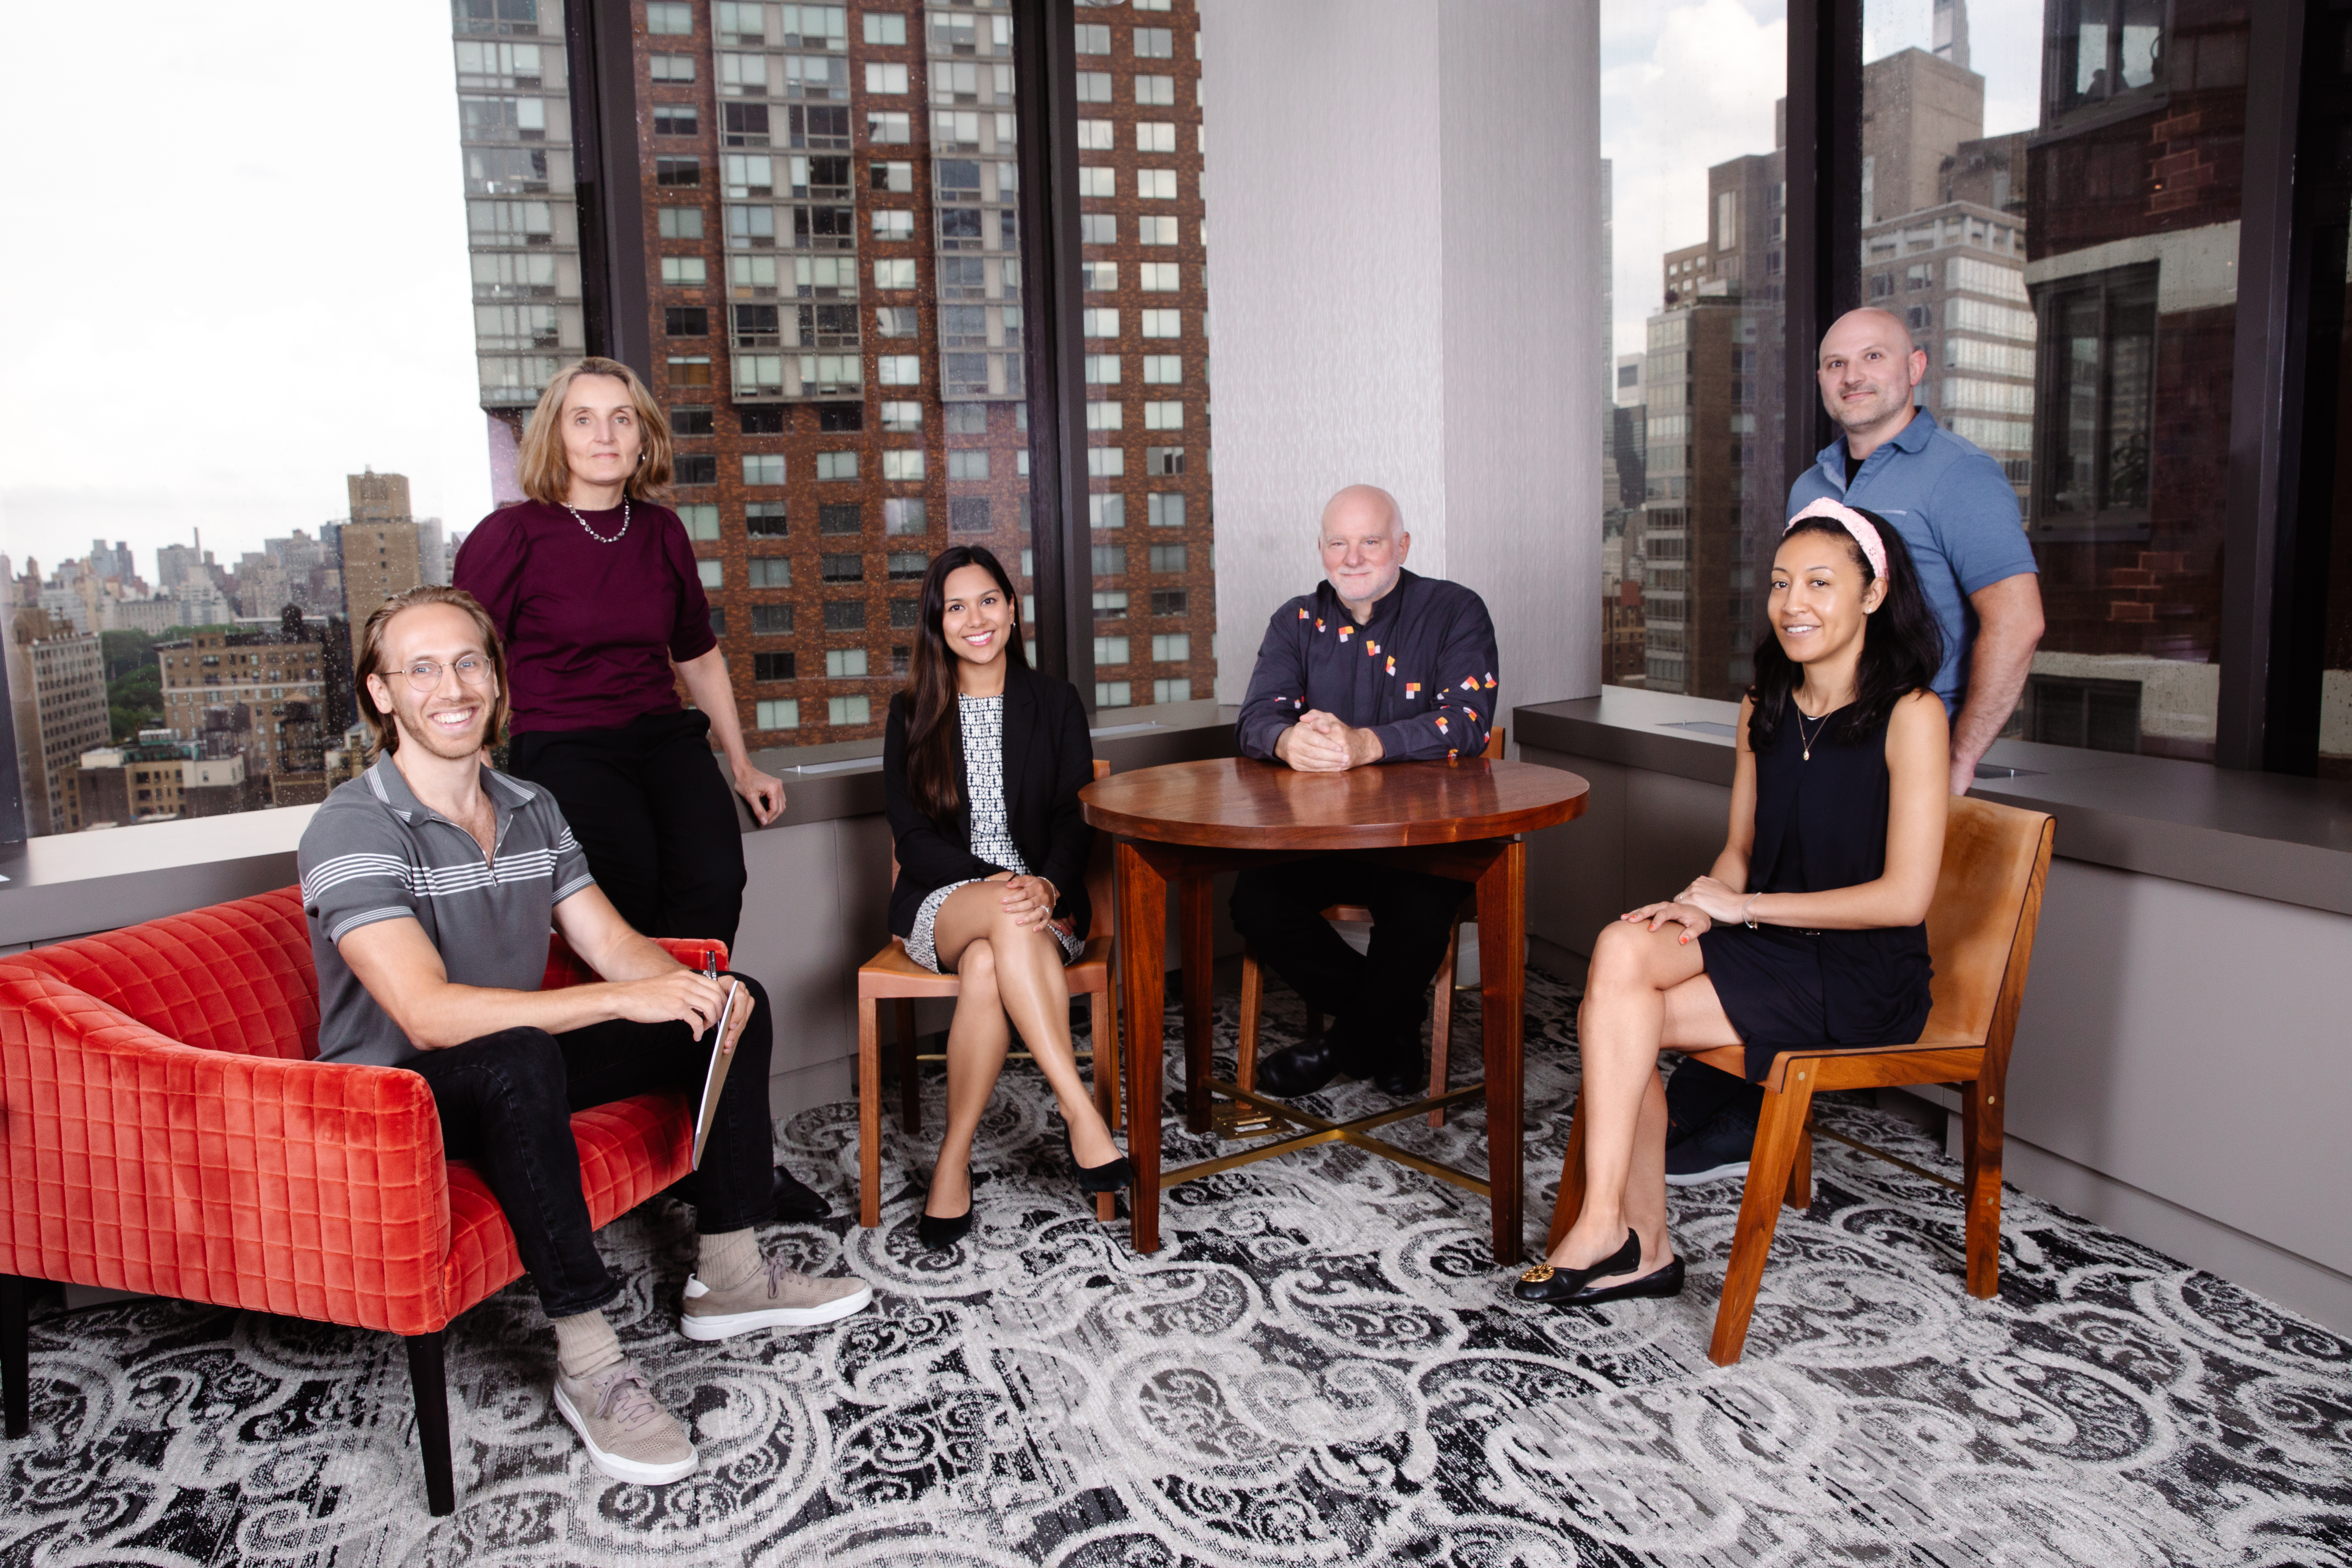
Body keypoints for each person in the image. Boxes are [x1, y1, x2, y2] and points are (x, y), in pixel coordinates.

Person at [298, 586, 873, 1486]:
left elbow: (609, 942)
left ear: (494, 676)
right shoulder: (353, 825)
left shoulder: (529, 804)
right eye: (420, 668)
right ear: (382, 695)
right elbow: (428, 1014)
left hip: (513, 1067)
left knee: (728, 1000)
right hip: (398, 1096)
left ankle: (729, 1272)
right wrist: (615, 1004)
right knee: (524, 1051)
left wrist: (690, 988)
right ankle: (591, 1360)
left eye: (467, 661)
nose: (450, 685)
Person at [1515, 500, 1948, 1310]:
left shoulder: (1913, 715)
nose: (1795, 603)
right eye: (1783, 583)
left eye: (1821, 583)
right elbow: (1741, 852)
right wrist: (1702, 905)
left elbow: (1905, 897)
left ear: (1874, 593)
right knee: (1621, 952)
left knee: (1621, 1020)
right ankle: (1622, 1230)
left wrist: (1744, 911)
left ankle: (1624, 1235)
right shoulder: (1766, 705)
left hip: (1861, 971)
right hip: (1770, 940)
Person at [1664, 306, 2046, 1187]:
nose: (1852, 375)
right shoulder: (1813, 484)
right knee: (1765, 910)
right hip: (1819, 743)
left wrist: (1957, 754)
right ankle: (1718, 1099)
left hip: (1897, 754)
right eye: (1835, 362)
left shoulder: (1961, 477)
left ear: (1918, 365)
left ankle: (1742, 1114)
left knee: (1821, 933)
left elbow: (2016, 621)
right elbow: (1810, 617)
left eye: (1872, 357)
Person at [453, 357, 828, 1221]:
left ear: (643, 436)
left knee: (711, 896)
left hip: (659, 736)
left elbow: (695, 652)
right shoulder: (512, 535)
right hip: (563, 745)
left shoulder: (659, 532)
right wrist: (468, 773)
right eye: (585, 419)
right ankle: (675, 1142)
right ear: (556, 434)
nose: (605, 436)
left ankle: (710, 1136)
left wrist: (741, 762)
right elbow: (467, 654)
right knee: (629, 921)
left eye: (622, 419)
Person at [881, 546, 1130, 1249]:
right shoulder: (912, 713)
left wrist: (1046, 880)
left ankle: (951, 1163)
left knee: (993, 961)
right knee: (1000, 915)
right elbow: (911, 834)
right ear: (939, 623)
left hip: (1040, 907)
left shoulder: (1054, 702)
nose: (975, 618)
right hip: (946, 898)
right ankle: (1081, 1113)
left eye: (988, 599)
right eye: (955, 606)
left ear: (1013, 609)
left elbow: (1070, 815)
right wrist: (992, 879)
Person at [1229, 484, 1500, 1098]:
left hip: (1424, 837)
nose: (1352, 558)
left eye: (1370, 542)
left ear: (1402, 546)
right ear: (1321, 550)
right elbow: (1253, 719)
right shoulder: (1296, 620)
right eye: (1337, 543)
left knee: (1420, 910)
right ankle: (1391, 1027)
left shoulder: (1456, 611)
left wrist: (1365, 745)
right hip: (1321, 838)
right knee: (1255, 903)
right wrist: (1285, 742)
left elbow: (1468, 723)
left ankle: (1345, 1046)